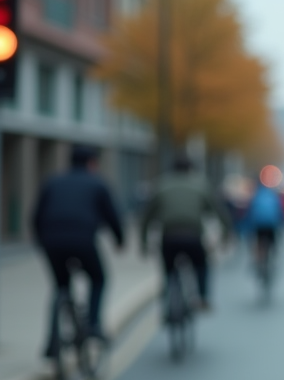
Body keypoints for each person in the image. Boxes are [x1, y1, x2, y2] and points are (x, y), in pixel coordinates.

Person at [32, 144, 124, 348]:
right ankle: (93, 324)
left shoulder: (52, 182)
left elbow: (36, 215)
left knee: (61, 286)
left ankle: (51, 342)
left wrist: (40, 242)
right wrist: (119, 240)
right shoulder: (97, 184)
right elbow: (112, 216)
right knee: (99, 278)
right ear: (92, 163)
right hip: (83, 240)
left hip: (51, 241)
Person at [140, 155, 232, 311]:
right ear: (191, 169)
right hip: (193, 236)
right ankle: (202, 298)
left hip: (168, 237)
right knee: (202, 265)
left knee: (168, 269)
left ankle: (168, 301)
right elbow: (218, 211)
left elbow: (147, 217)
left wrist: (143, 243)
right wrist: (225, 234)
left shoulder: (161, 184)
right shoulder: (201, 185)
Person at [244, 177, 284, 269]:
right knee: (272, 241)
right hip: (271, 223)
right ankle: (271, 256)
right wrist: (281, 222)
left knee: (259, 241)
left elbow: (250, 211)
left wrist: (248, 225)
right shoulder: (272, 195)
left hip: (259, 224)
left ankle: (259, 259)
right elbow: (279, 210)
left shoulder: (256, 195)